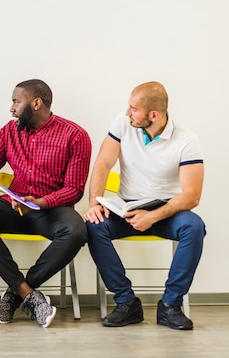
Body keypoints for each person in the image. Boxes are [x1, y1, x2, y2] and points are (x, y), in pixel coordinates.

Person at [0, 79, 91, 328]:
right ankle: (28, 294)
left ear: (36, 103)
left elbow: (74, 190)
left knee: (77, 231)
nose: (12, 108)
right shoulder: (10, 131)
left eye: (16, 101)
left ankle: (14, 296)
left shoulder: (75, 135)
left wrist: (41, 202)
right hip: (15, 206)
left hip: (52, 210)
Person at [83, 81, 205, 330]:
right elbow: (103, 163)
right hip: (126, 209)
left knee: (194, 227)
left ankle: (170, 305)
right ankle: (127, 303)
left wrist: (153, 216)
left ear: (154, 115)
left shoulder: (187, 140)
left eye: (133, 109)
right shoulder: (123, 123)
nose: (128, 112)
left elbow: (192, 196)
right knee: (93, 224)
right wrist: (94, 202)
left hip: (166, 212)